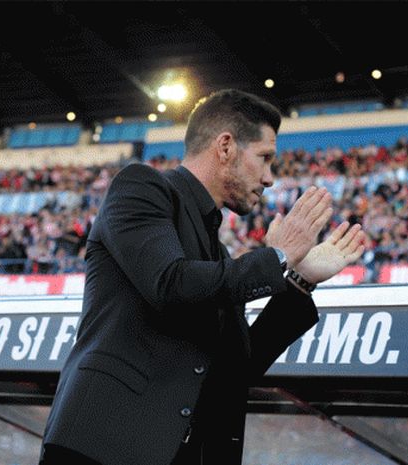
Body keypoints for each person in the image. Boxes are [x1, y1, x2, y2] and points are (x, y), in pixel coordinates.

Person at [39, 89, 365, 465]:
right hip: (103, 447)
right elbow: (171, 284)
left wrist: (299, 282)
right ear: (225, 146)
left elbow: (237, 365)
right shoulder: (141, 187)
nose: (270, 178)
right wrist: (276, 257)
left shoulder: (218, 256)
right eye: (264, 158)